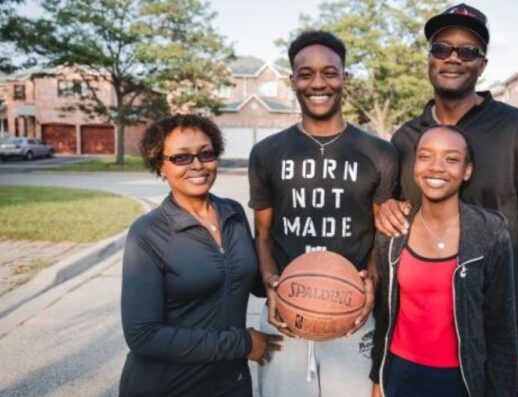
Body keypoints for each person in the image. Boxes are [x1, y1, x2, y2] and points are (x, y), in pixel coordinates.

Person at [374, 4, 518, 396]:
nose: (453, 58)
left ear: (483, 64)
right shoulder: (406, 139)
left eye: (468, 51)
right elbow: (393, 222)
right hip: (421, 341)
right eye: (442, 48)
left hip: (501, 328)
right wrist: (383, 207)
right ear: (429, 59)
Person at [248, 31, 399, 397]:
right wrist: (272, 286)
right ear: (293, 82)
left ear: (345, 79)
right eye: (306, 73)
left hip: (352, 311)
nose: (319, 83)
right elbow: (264, 234)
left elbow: (383, 235)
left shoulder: (379, 153)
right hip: (287, 310)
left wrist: (370, 286)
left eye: (330, 73)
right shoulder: (267, 153)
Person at [119, 114, 281, 397]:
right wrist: (241, 344)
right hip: (168, 387)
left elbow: (251, 281)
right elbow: (142, 335)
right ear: (160, 166)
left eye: (206, 154)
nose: (197, 165)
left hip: (231, 384)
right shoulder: (148, 233)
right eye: (181, 158)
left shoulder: (233, 213)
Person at [370, 125, 518, 397]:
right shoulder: (393, 232)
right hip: (400, 375)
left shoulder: (490, 233)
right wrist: (377, 378)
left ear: (467, 170)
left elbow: (502, 330)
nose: (436, 167)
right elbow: (385, 317)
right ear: (415, 165)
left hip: (461, 379)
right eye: (425, 156)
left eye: (451, 159)